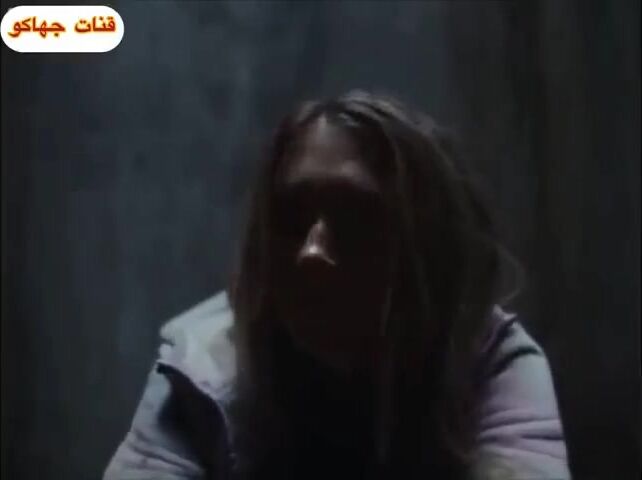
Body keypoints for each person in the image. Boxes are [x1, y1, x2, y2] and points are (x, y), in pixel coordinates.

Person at [104, 90, 570, 479]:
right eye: (291, 217)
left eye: (355, 218)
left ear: (428, 245)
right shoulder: (201, 370)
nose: (311, 252)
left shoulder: (489, 364)